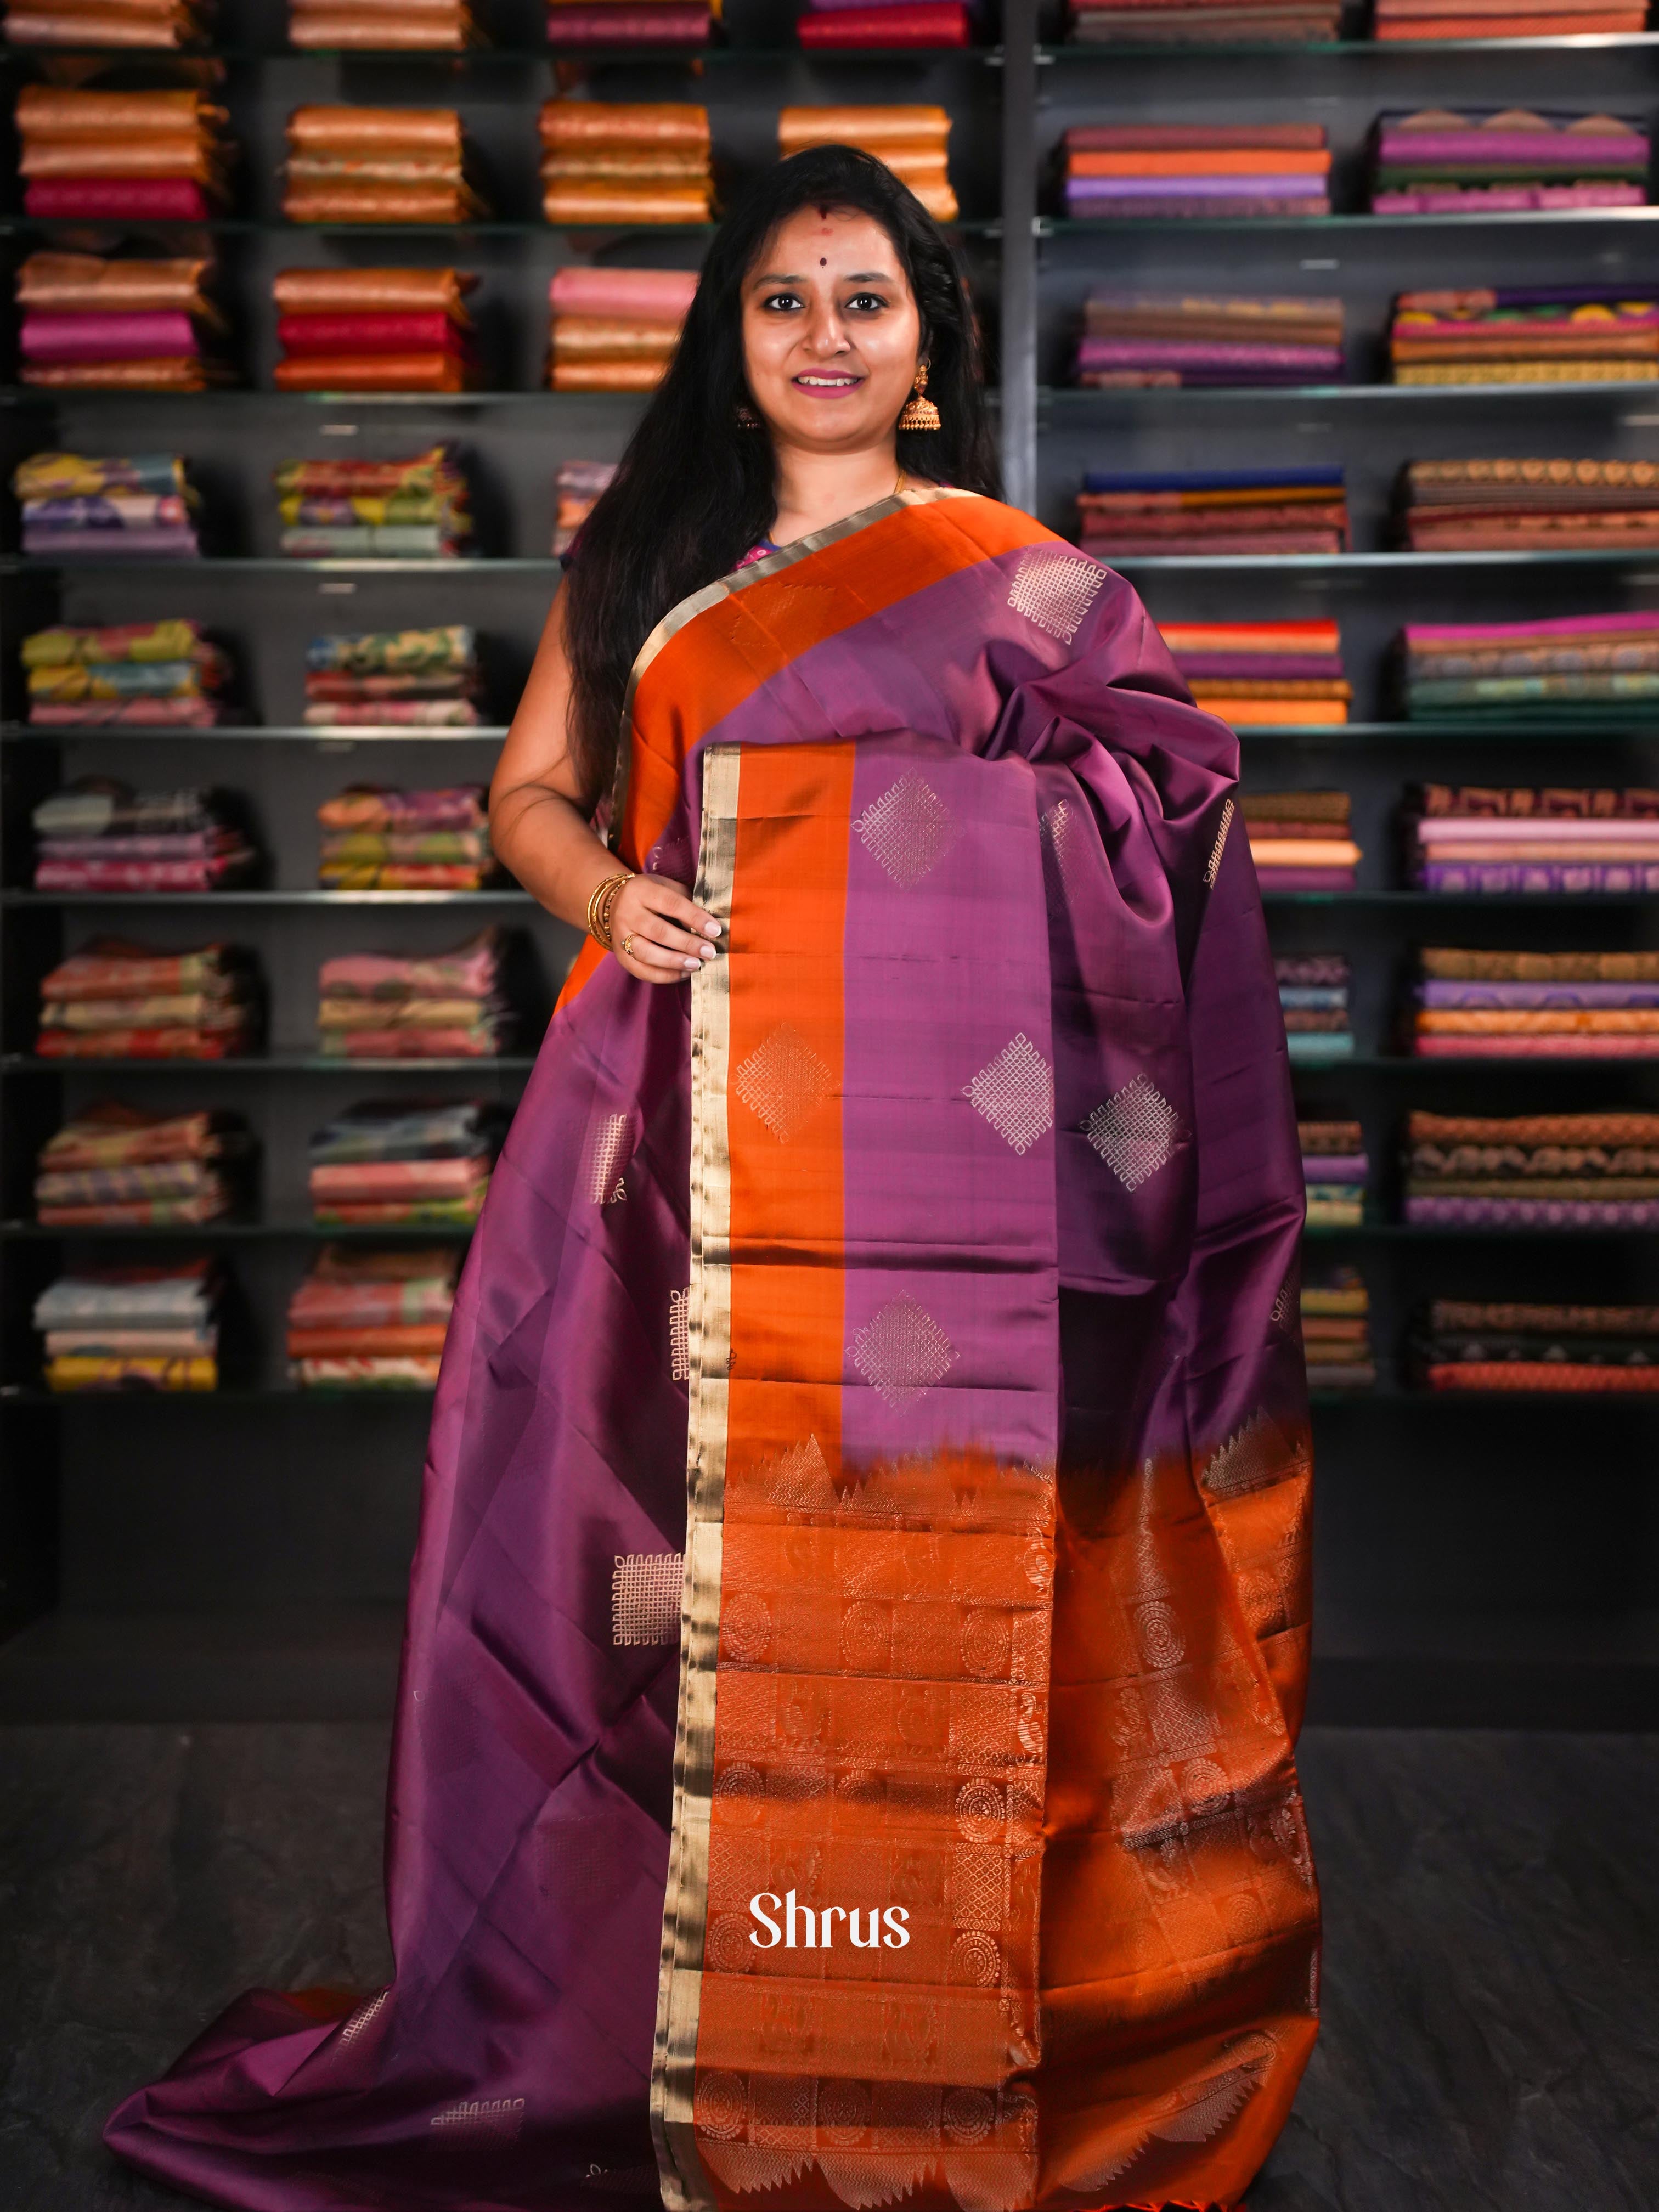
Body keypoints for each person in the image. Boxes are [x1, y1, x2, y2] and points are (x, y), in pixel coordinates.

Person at [105, 145, 1318, 2212]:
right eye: (783, 300)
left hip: (961, 1196)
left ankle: (934, 2020)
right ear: (730, 342)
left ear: (927, 343)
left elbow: (1162, 836)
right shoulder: (651, 564)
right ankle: (654, 2022)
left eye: (865, 298)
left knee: (934, 1591)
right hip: (673, 1162)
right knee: (644, 1588)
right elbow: (528, 796)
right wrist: (619, 895)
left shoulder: (1038, 590)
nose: (825, 335)